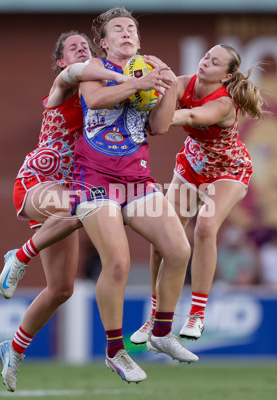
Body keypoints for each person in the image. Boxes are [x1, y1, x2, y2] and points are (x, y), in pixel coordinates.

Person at [0, 31, 130, 393]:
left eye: (86, 45)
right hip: (37, 182)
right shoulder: (65, 83)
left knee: (61, 289)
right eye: (74, 48)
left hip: (68, 194)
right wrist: (122, 75)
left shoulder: (100, 91)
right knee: (82, 207)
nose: (82, 50)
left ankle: (15, 348)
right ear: (61, 60)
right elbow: (75, 75)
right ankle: (19, 255)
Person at [72, 7, 198, 383]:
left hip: (136, 180)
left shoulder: (149, 71)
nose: (126, 33)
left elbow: (158, 127)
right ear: (104, 42)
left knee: (179, 250)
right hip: (94, 179)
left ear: (139, 41)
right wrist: (140, 84)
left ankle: (160, 333)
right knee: (118, 264)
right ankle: (116, 351)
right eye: (118, 29)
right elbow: (94, 101)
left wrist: (169, 86)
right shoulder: (91, 69)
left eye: (131, 29)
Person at [130, 44, 265, 343]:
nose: (205, 62)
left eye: (214, 62)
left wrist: (159, 117)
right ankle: (155, 317)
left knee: (205, 228)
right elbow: (159, 102)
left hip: (228, 170)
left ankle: (197, 315)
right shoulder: (182, 82)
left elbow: (190, 117)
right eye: (206, 56)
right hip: (192, 166)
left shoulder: (224, 103)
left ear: (226, 77)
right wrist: (147, 86)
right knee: (161, 237)